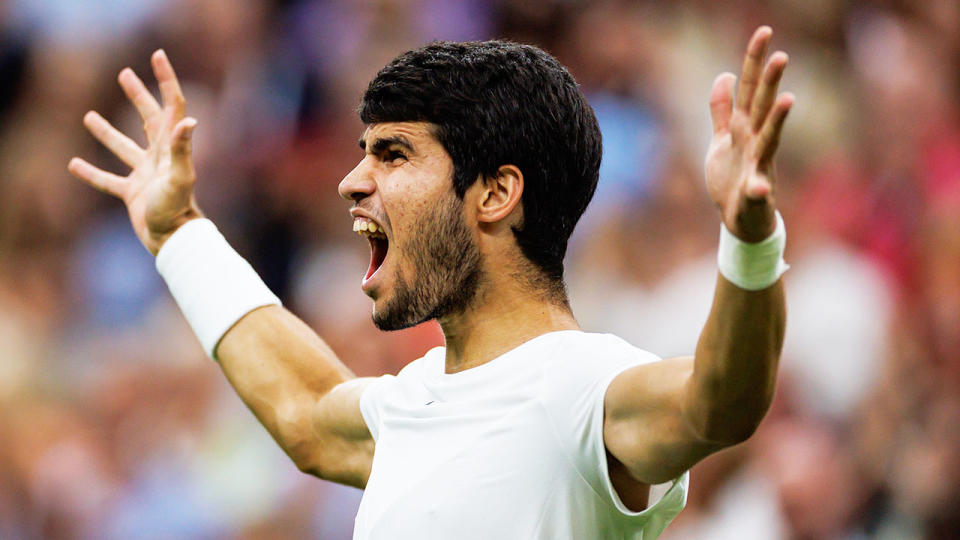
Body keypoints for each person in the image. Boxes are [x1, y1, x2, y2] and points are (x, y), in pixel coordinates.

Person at [68, 26, 793, 539]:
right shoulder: (410, 404)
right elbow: (306, 409)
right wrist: (178, 232)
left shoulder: (587, 384)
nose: (352, 182)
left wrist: (750, 241)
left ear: (494, 193)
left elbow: (719, 404)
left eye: (392, 154)